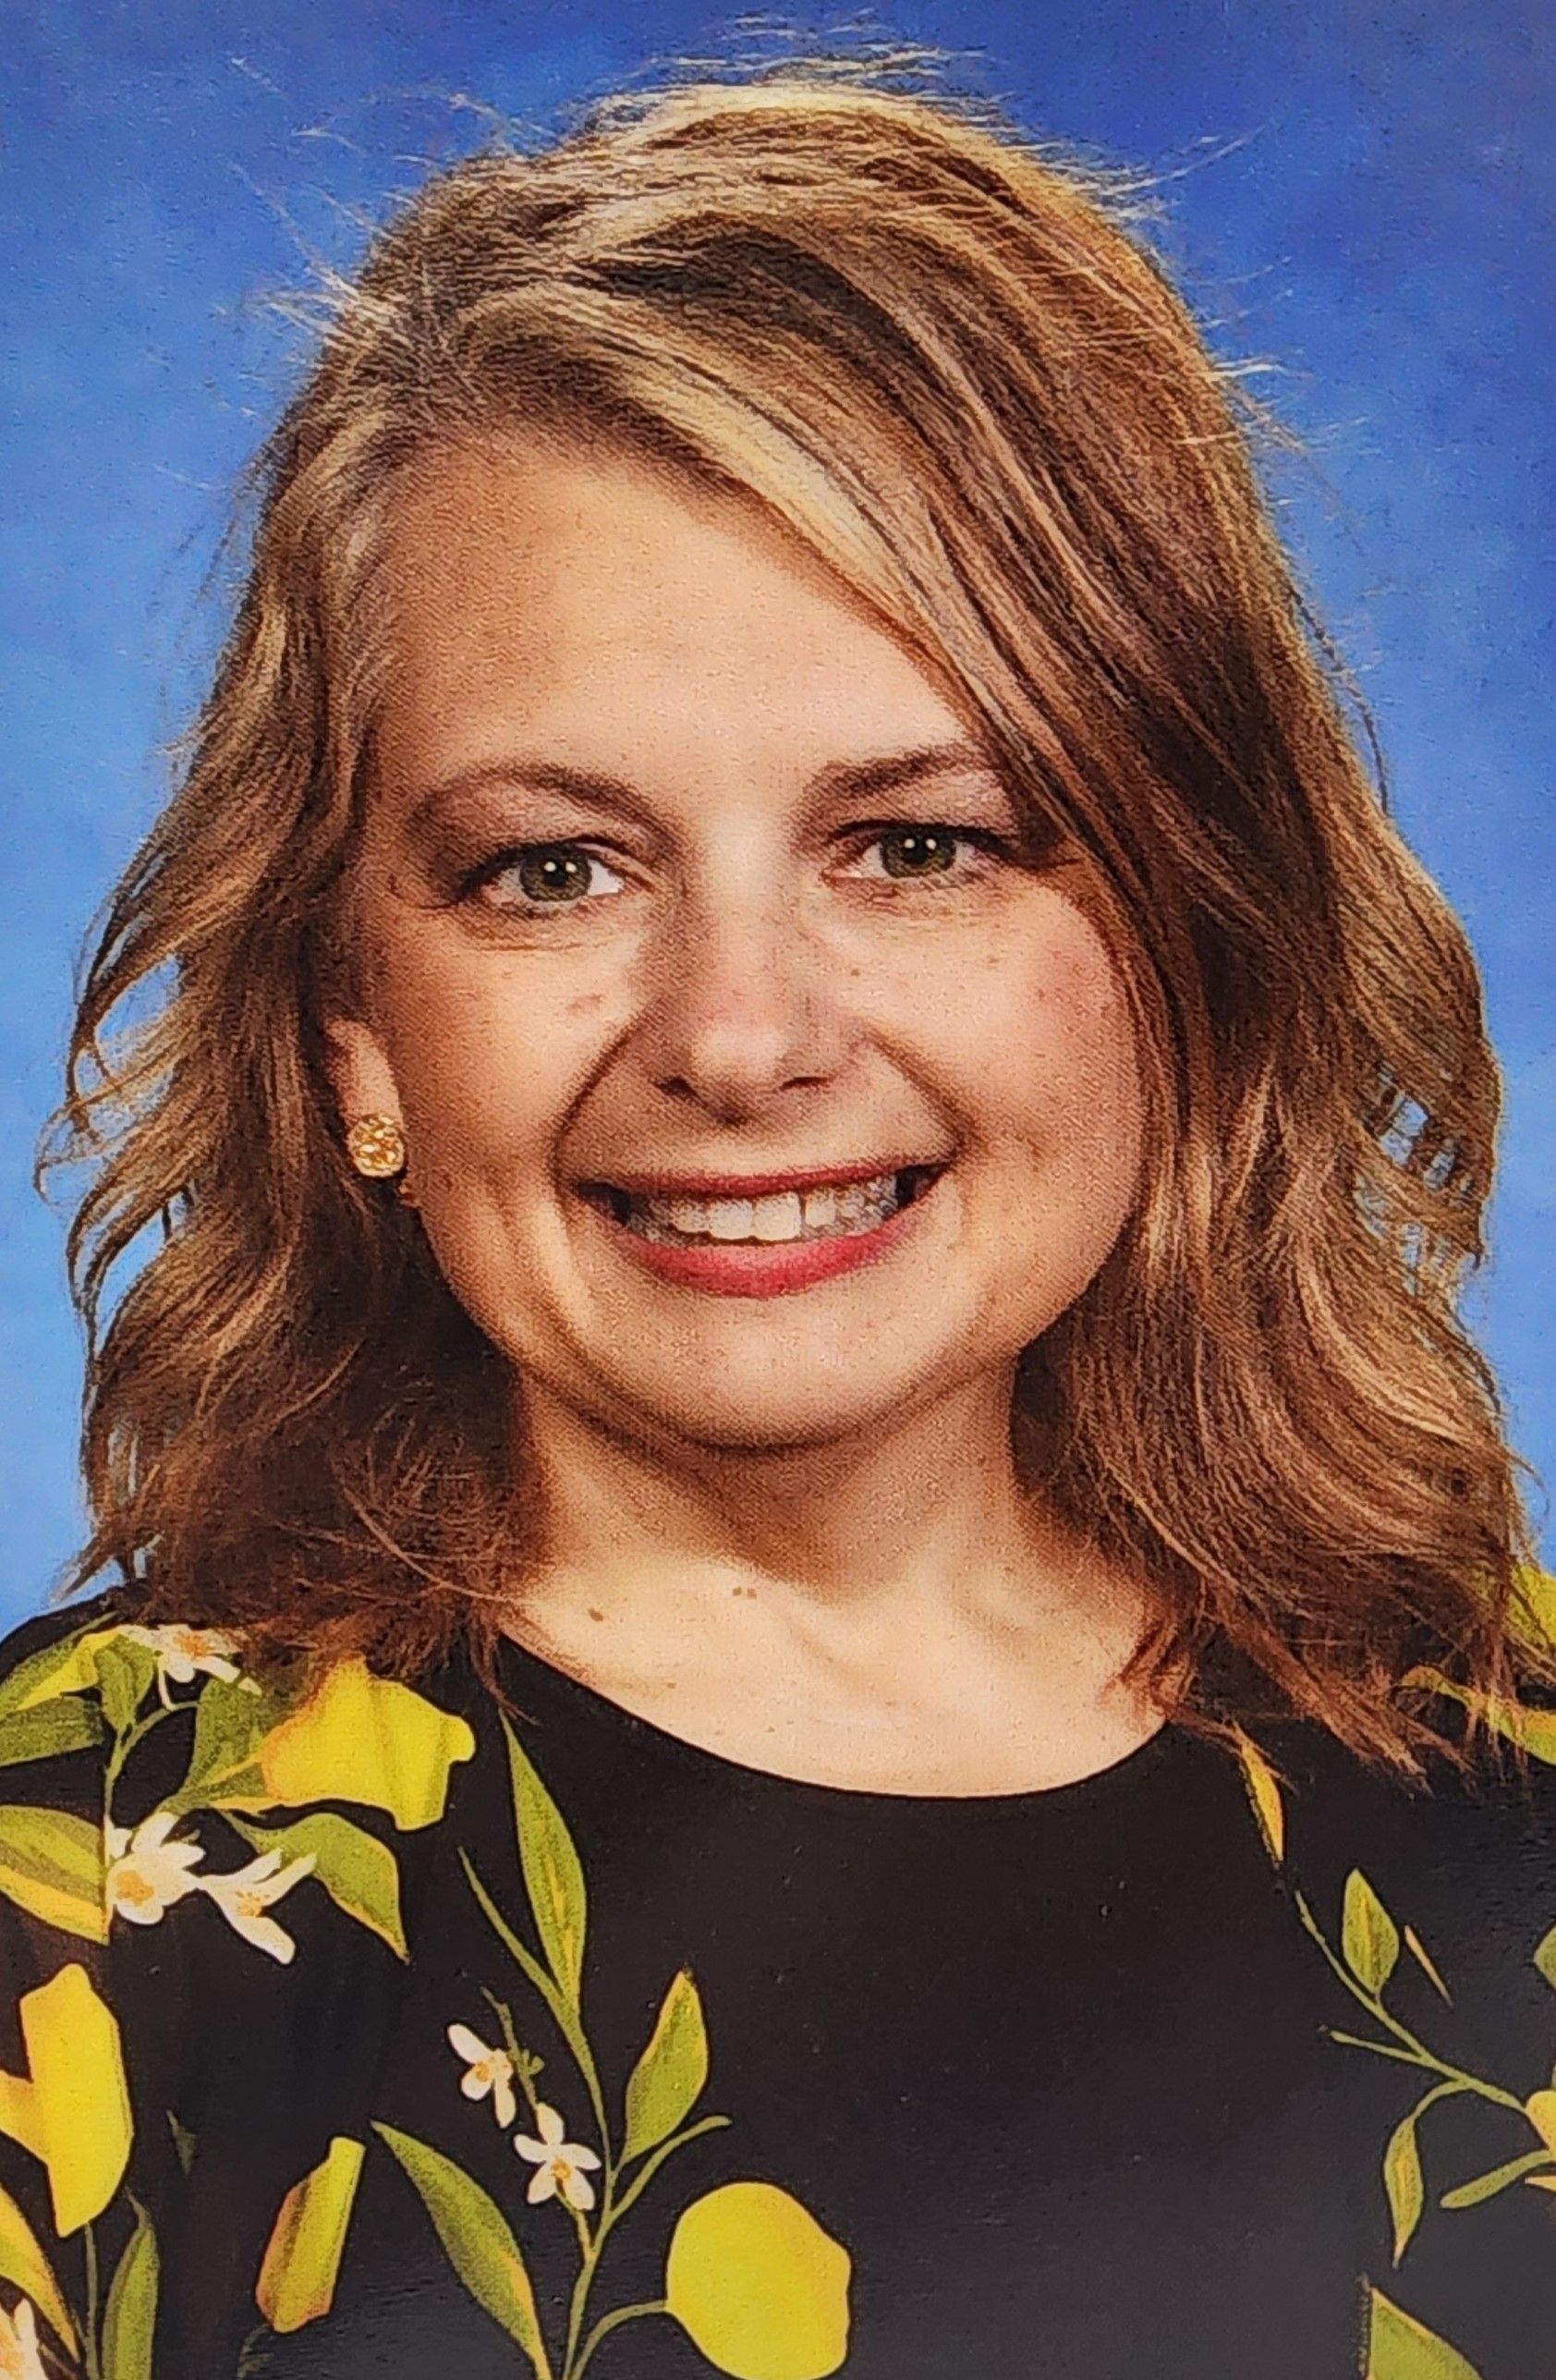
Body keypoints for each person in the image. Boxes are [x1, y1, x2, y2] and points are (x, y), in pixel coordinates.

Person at [0, 61, 1551, 2380]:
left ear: (1188, 932)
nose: (738, 1036)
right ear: (355, 1031)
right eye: (554, 866)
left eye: (919, 840)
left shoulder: (1510, 1767)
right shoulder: (87, 1890)